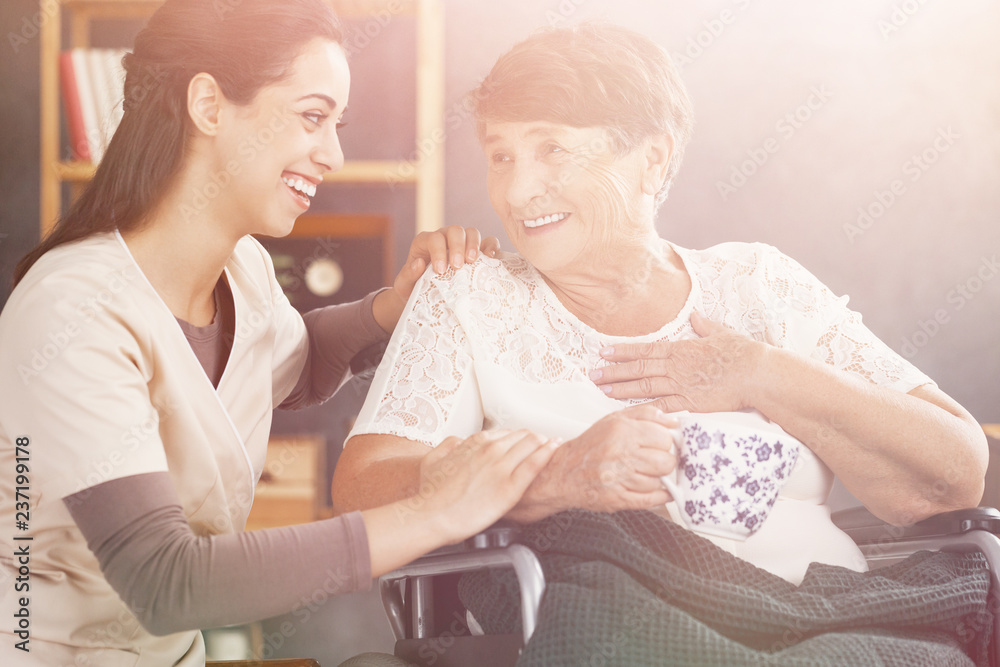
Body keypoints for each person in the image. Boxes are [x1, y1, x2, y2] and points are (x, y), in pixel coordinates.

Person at [0, 1, 557, 664]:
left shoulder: (244, 272)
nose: (334, 153)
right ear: (207, 104)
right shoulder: (73, 309)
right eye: (312, 116)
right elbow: (166, 581)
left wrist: (397, 305)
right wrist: (435, 511)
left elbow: (299, 361)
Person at [333, 22, 988, 585]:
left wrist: (763, 373)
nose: (516, 189)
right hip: (601, 625)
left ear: (652, 160)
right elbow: (362, 495)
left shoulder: (760, 284)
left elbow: (952, 471)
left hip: (829, 613)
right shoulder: (467, 294)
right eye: (500, 155)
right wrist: (556, 475)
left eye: (551, 149)